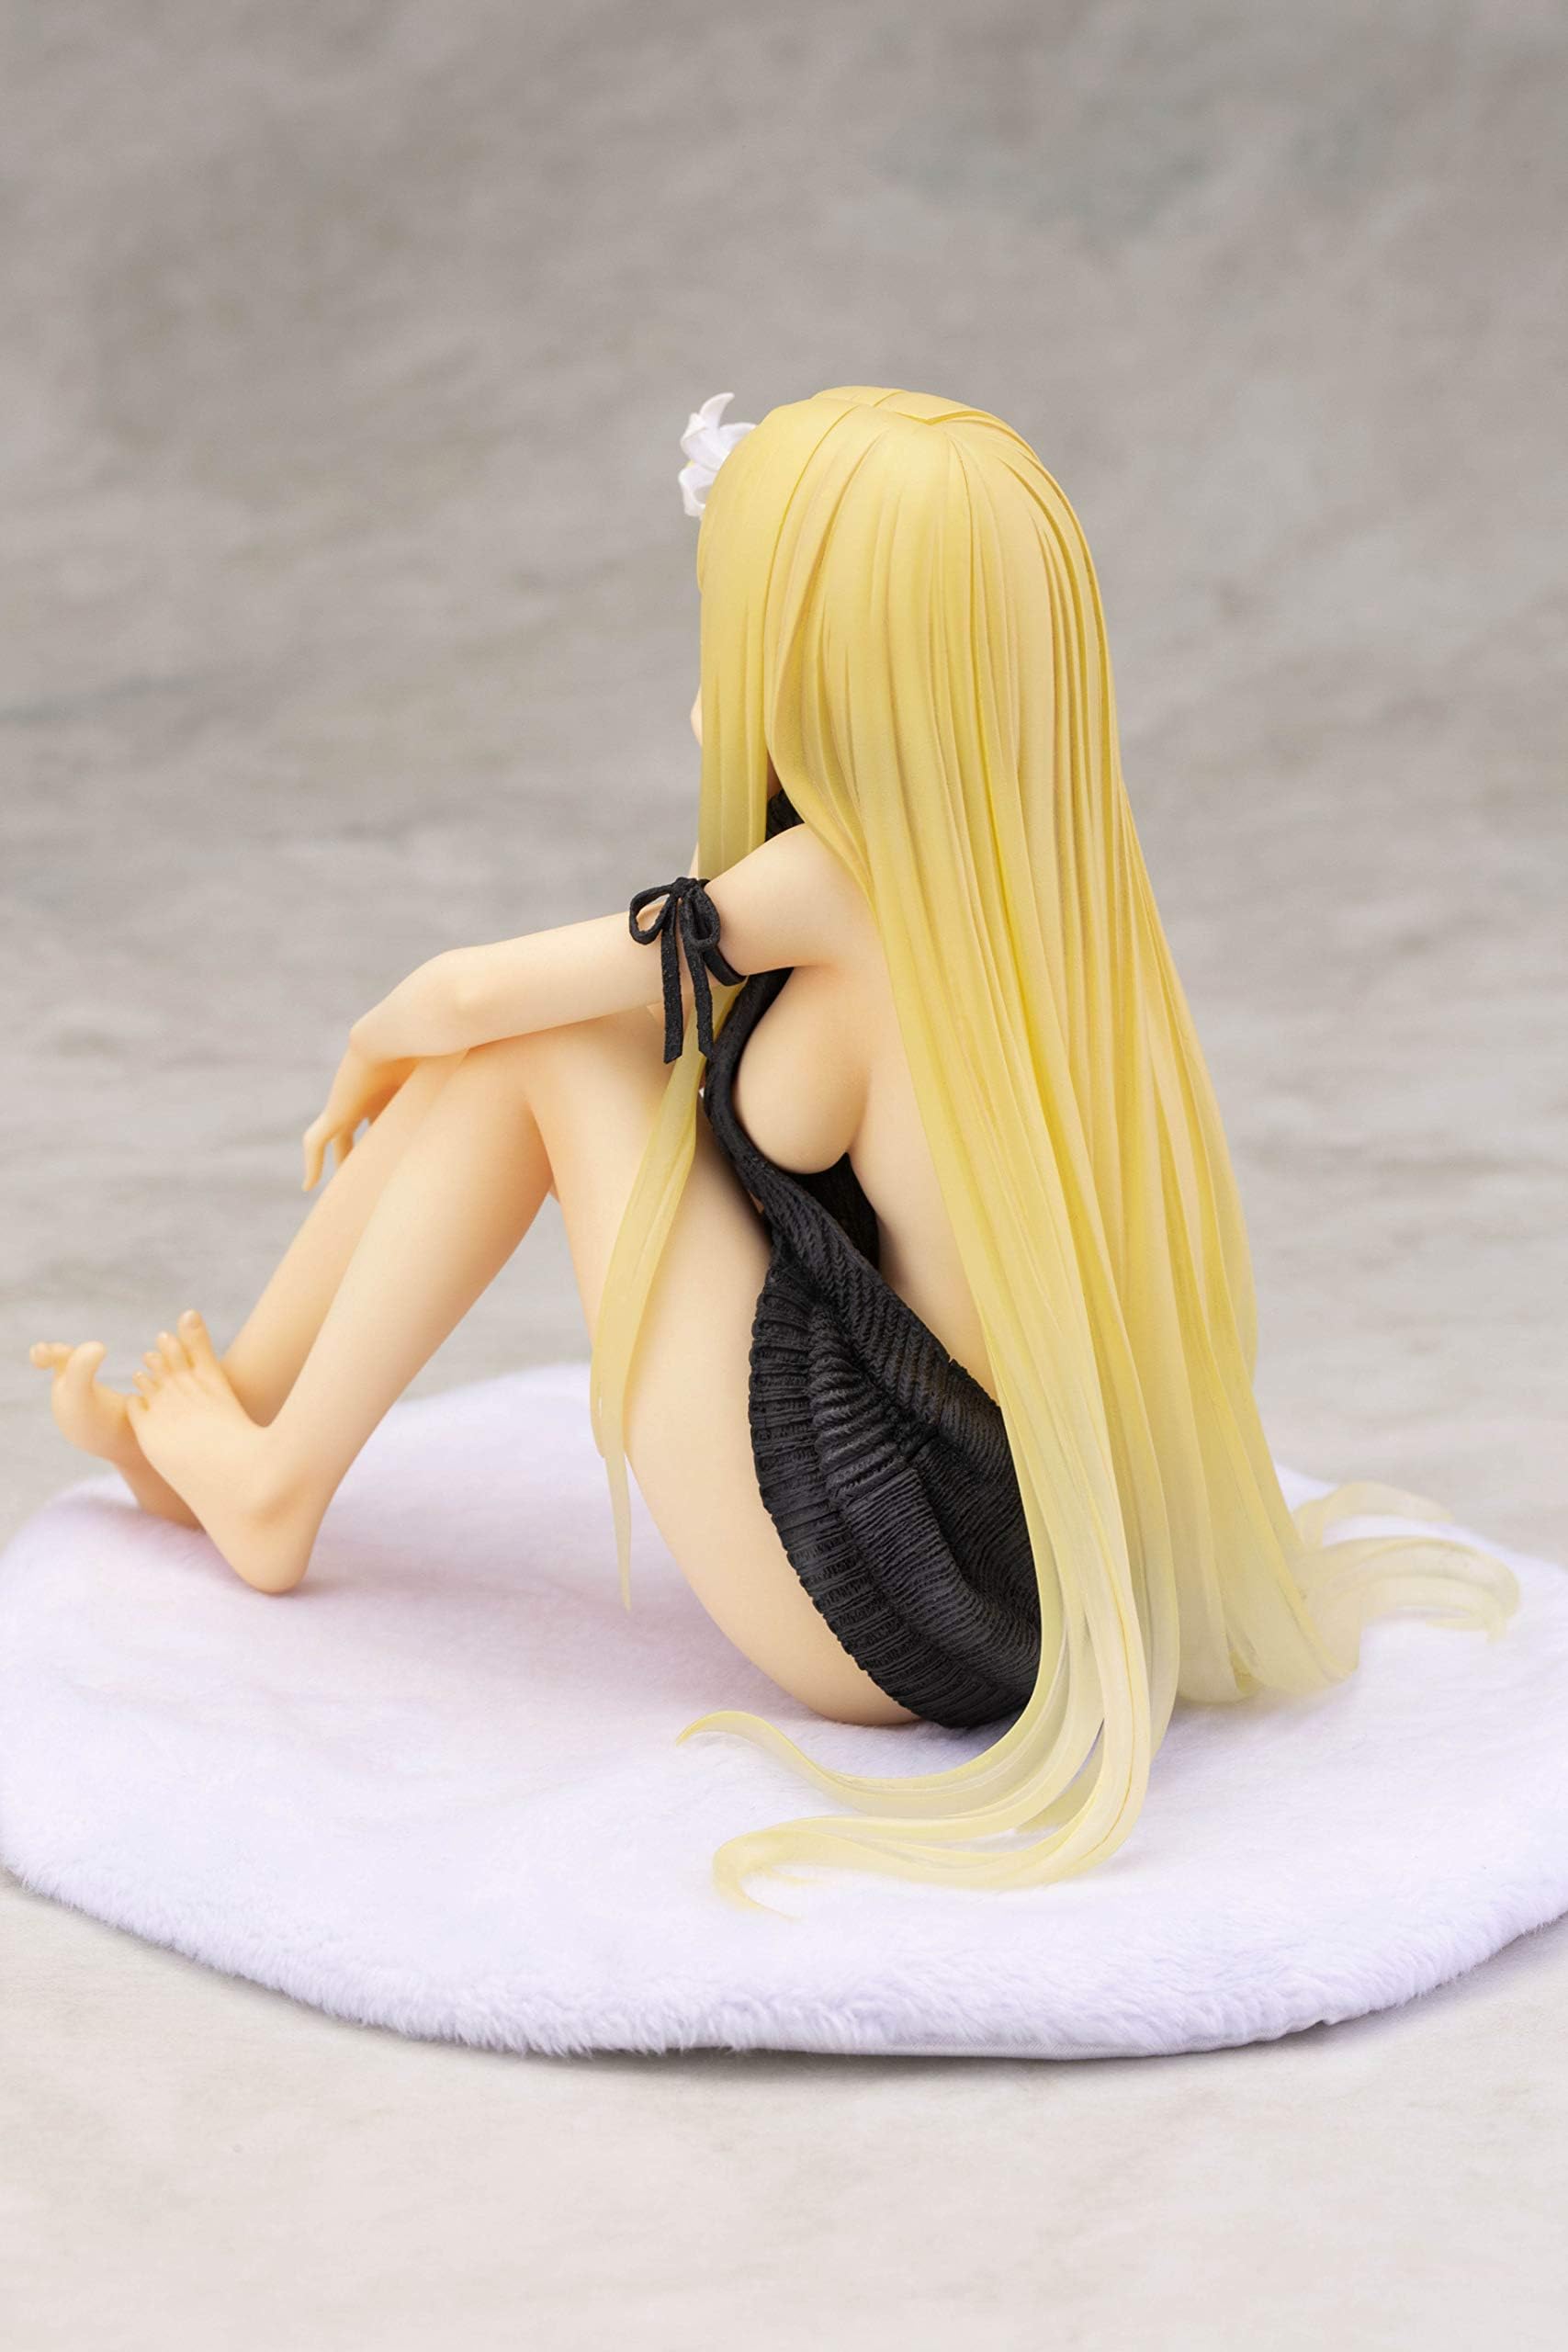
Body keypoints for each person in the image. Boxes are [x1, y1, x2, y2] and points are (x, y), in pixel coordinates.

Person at [28, 386, 1519, 1908]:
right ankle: (240, 1429)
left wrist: (370, 1043)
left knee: (531, 1048)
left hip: (905, 1566)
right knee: (555, 1049)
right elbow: (666, 1004)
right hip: (1014, 1545)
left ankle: (268, 1481)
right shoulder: (1032, 873)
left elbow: (474, 995)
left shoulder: (847, 883)